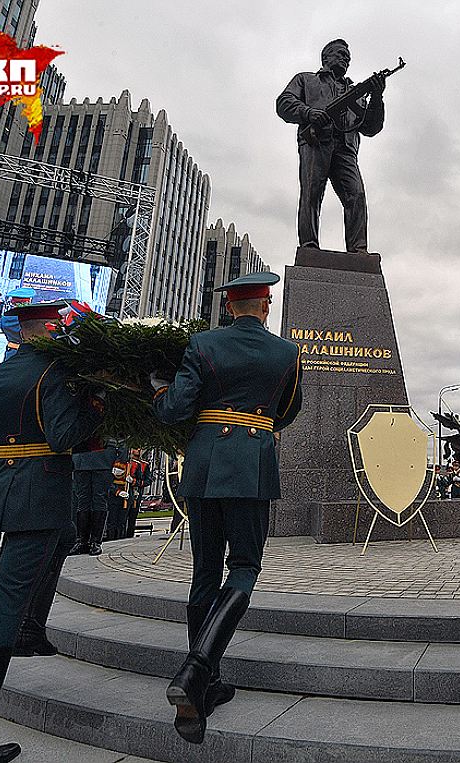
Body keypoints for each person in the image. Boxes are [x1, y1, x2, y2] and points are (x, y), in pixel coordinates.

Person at [0, 299, 103, 763]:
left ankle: (31, 630)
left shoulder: (1, 373)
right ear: (51, 329)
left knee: (64, 538)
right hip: (39, 490)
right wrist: (95, 408)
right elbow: (62, 436)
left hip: (10, 483)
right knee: (4, 609)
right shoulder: (54, 373)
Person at [152, 272, 302, 745]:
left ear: (228, 308)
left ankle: (204, 680)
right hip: (252, 460)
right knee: (244, 567)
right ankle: (198, 673)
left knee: (204, 572)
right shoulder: (287, 352)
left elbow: (176, 409)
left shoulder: (202, 344)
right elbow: (290, 408)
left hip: (204, 463)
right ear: (267, 305)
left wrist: (158, 389)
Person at [276, 39, 386, 253]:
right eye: (341, 53)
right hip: (316, 142)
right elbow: (283, 103)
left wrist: (377, 97)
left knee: (357, 195)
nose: (346, 57)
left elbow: (371, 128)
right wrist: (308, 113)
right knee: (312, 193)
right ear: (326, 57)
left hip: (346, 150)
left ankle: (358, 249)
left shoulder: (356, 93)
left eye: (348, 56)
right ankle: (309, 246)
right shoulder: (306, 80)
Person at [69, 439, 127, 556]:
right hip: (81, 458)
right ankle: (81, 541)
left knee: (99, 500)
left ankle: (96, 542)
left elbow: (122, 434)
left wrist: (120, 461)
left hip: (103, 457)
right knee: (82, 501)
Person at [0, 288, 34, 361]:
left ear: (12, 302)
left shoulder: (5, 318)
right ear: (29, 301)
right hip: (27, 354)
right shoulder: (32, 319)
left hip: (11, 351)